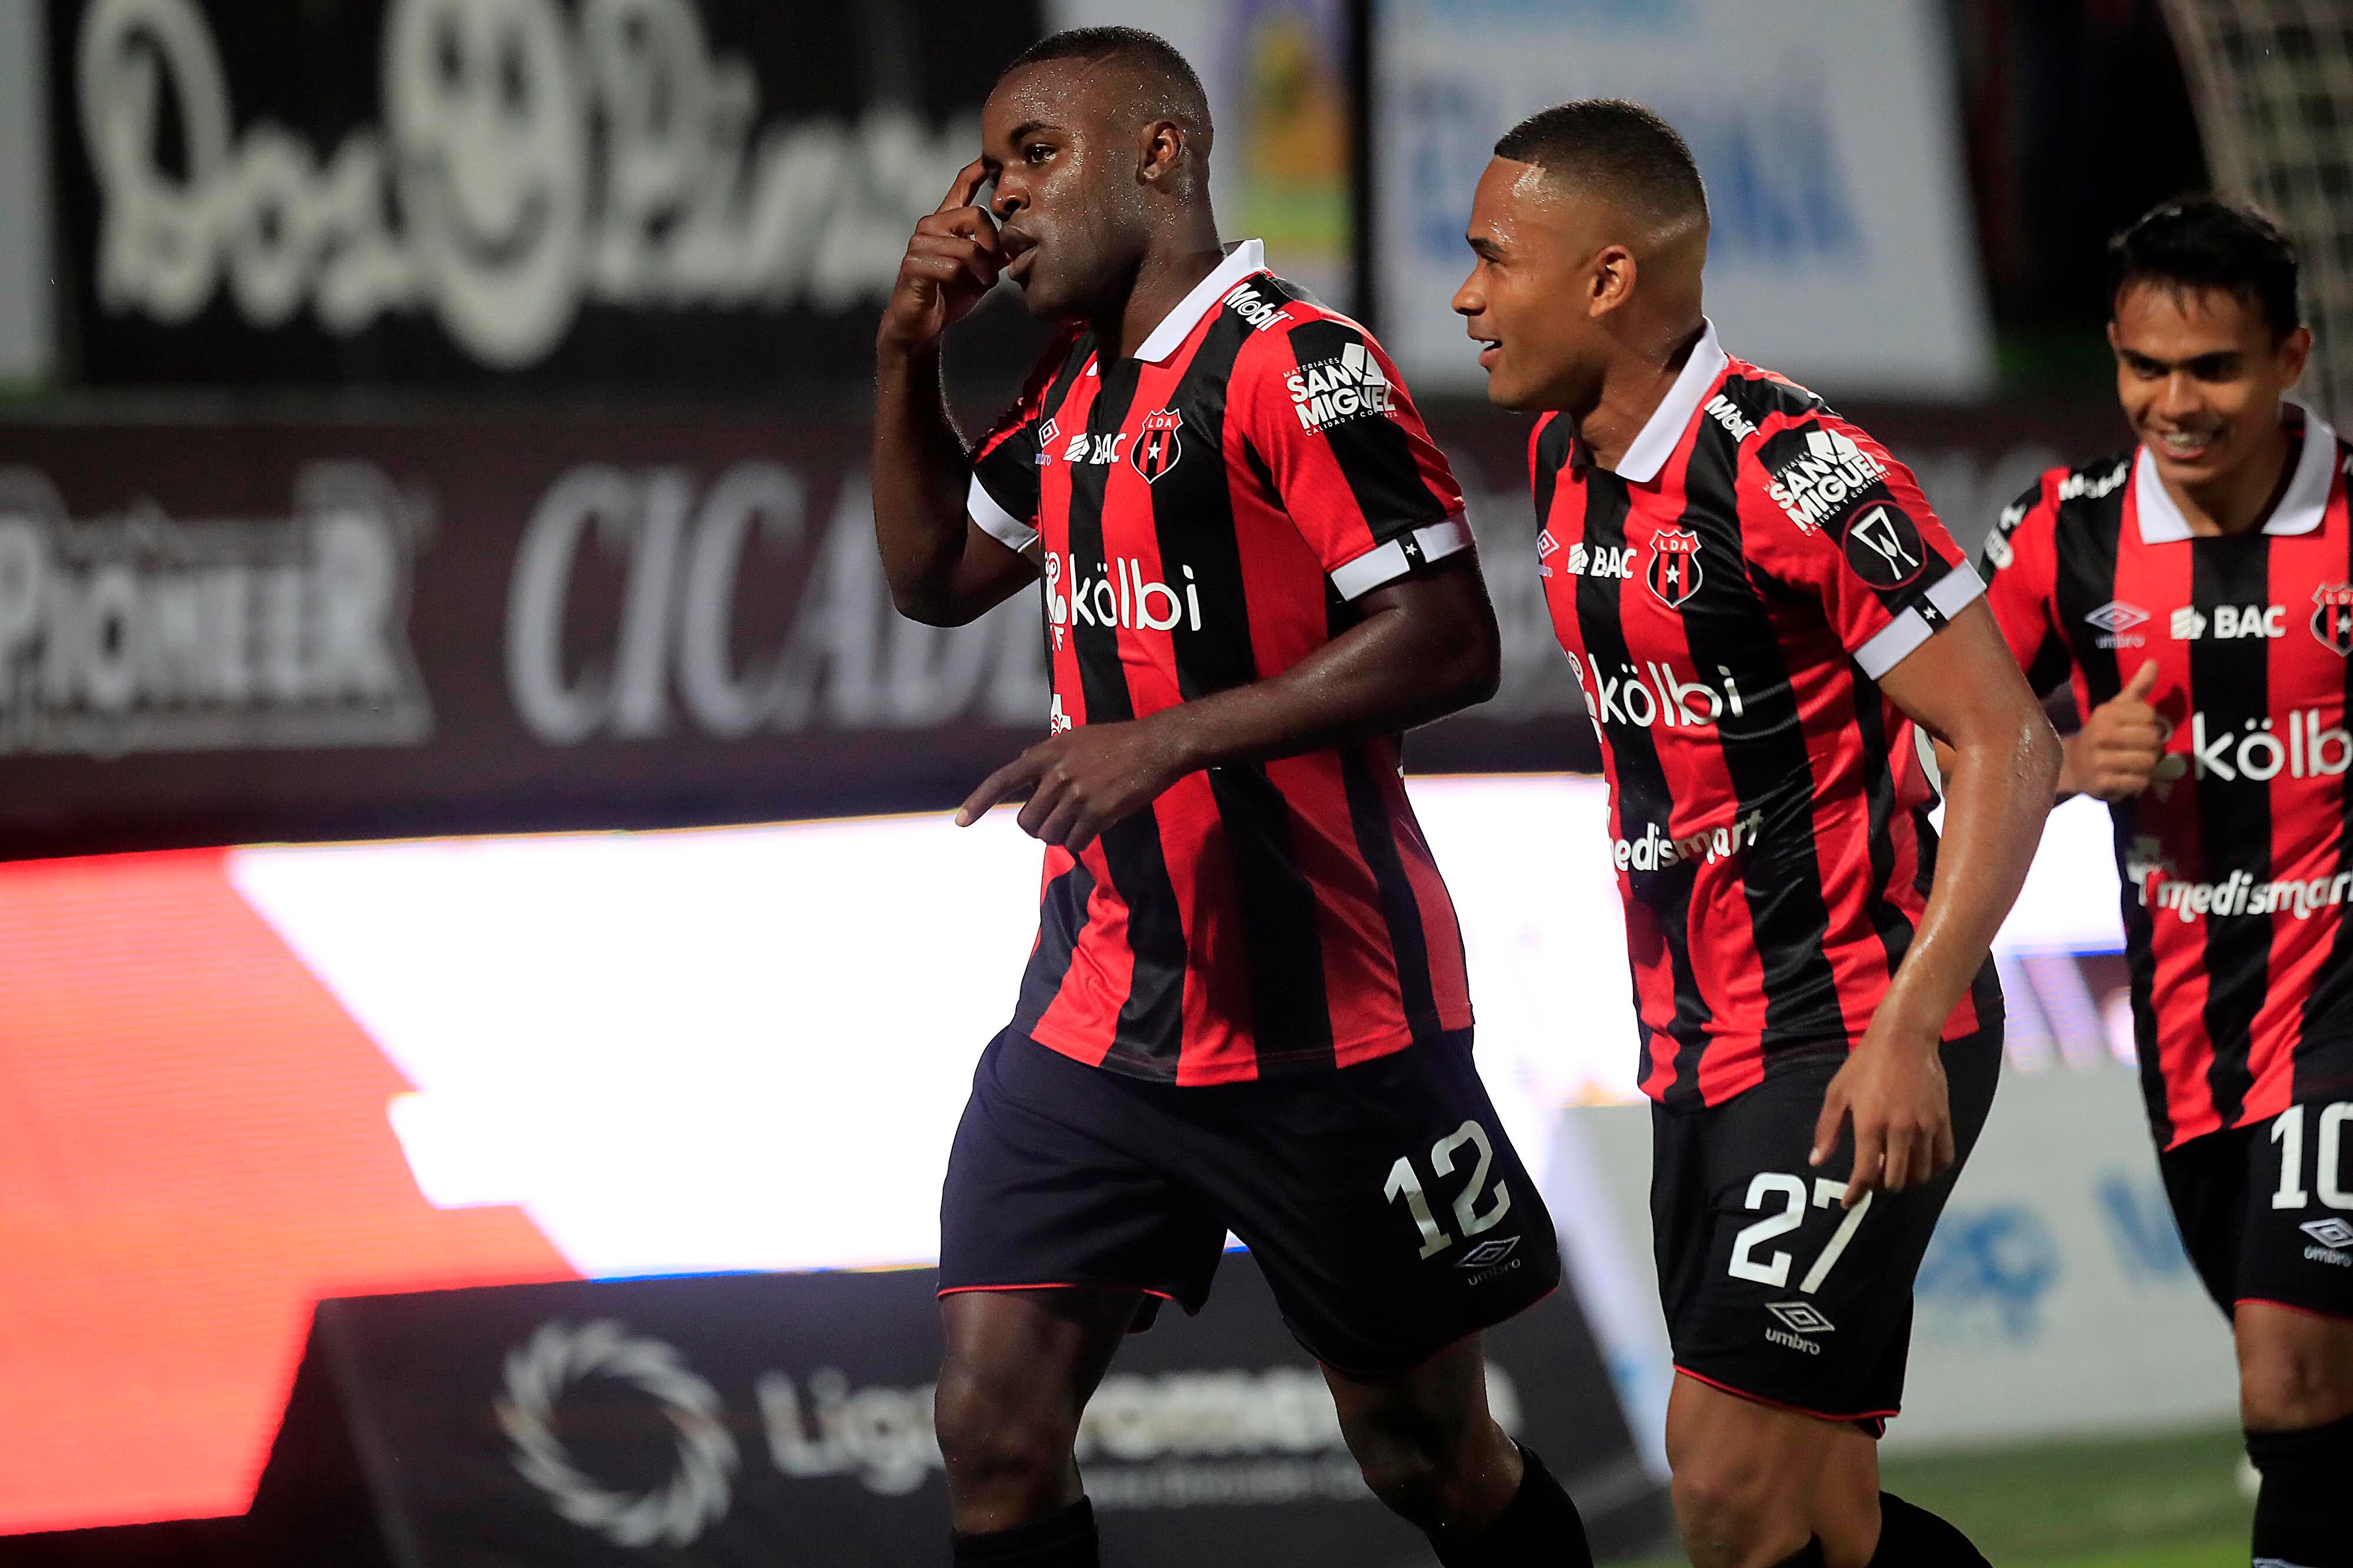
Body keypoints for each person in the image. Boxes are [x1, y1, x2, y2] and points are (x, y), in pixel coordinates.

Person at [872, 27, 1591, 1568]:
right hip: (1095, 1019)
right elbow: (934, 574)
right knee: (991, 1428)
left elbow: (1452, 633)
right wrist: (904, 351)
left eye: (1035, 155)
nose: (1001, 201)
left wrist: (1174, 736)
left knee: (1430, 1459)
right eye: (991, 168)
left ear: (1161, 152)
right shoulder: (1073, 391)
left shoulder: (1298, 362)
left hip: (1325, 1025)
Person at [1454, 100, 2059, 1568]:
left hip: (1851, 1031)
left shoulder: (1796, 469)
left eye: (1490, 260)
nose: (1465, 297)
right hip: (1693, 1051)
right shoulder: (1558, 459)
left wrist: (1908, 1021)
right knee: (1821, 1518)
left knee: (1717, 1481)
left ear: (1605, 279)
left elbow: (2004, 736)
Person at [1972, 196, 2353, 1568]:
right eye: (2145, 368)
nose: (2173, 403)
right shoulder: (2057, 536)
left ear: (2291, 356)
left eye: (2214, 369)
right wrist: (2060, 757)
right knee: (2307, 1414)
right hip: (2193, 1038)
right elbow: (1922, 742)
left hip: (2340, 1007)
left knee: (2289, 1376)